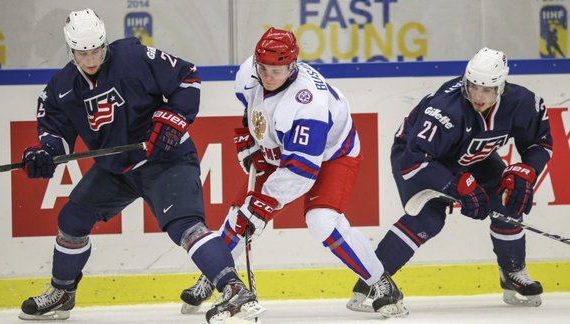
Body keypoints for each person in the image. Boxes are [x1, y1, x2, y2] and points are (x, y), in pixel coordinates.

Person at [18, 9, 263, 323]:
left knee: (185, 226)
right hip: (116, 168)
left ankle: (233, 290)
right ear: (71, 51)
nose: (91, 58)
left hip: (165, 159)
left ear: (104, 44)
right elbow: (55, 133)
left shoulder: (133, 56)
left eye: (96, 50)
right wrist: (43, 154)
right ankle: (63, 292)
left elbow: (187, 77)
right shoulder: (62, 87)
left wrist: (173, 120)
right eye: (83, 52)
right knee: (72, 219)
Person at [179, 27, 408, 318]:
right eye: (263, 68)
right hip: (282, 148)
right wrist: (250, 137)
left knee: (321, 221)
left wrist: (264, 204)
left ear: (292, 66)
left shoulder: (306, 105)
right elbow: (251, 109)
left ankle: (381, 283)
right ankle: (215, 275)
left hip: (330, 155)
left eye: (277, 70)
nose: (268, 76)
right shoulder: (250, 73)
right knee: (240, 215)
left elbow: (301, 171)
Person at [347, 47, 552, 310]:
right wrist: (456, 186)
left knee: (508, 198)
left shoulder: (523, 103)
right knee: (429, 218)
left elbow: (540, 142)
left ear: (502, 86)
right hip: (418, 156)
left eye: (487, 90)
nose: (478, 95)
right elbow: (414, 160)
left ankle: (512, 272)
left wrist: (528, 170)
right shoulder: (445, 109)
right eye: (473, 86)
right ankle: (370, 283)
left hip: (472, 154)